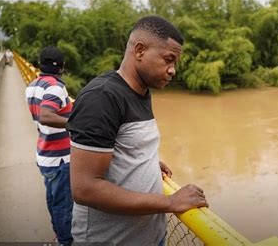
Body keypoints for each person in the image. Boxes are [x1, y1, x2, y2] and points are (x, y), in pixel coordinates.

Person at [67, 16, 208, 245]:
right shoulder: (102, 97)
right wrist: (170, 202)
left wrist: (146, 162)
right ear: (140, 51)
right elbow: (85, 188)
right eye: (168, 60)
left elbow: (125, 144)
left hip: (149, 238)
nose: (173, 70)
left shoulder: (141, 92)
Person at [25, 46, 73, 245]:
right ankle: (64, 241)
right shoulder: (56, 87)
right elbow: (46, 115)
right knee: (63, 205)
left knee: (52, 200)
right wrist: (75, 123)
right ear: (61, 67)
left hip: (45, 154)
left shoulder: (33, 84)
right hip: (60, 158)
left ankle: (58, 235)